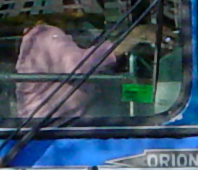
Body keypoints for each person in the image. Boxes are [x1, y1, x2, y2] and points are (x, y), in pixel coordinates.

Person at [14, 15, 157, 118]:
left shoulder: (58, 34)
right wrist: (134, 37)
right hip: (52, 125)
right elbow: (79, 66)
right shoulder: (46, 34)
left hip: (71, 118)